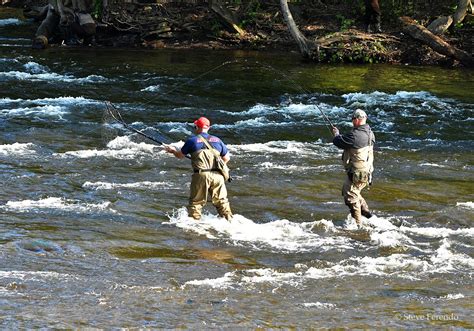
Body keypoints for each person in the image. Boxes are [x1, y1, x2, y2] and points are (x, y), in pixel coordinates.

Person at [164, 117, 233, 221]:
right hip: (218, 176)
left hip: (201, 175)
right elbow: (226, 158)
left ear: (196, 127)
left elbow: (180, 155)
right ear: (208, 127)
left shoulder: (192, 141)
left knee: (196, 203)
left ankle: (195, 227)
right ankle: (229, 222)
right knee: (222, 202)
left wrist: (172, 150)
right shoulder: (218, 140)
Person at [332, 109, 375, 226]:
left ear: (356, 120)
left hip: (358, 173)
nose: (352, 122)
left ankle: (358, 226)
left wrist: (336, 134)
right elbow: (347, 141)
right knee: (352, 191)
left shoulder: (355, 135)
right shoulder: (369, 132)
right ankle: (367, 213)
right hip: (366, 172)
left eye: (352, 119)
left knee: (350, 195)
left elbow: (338, 142)